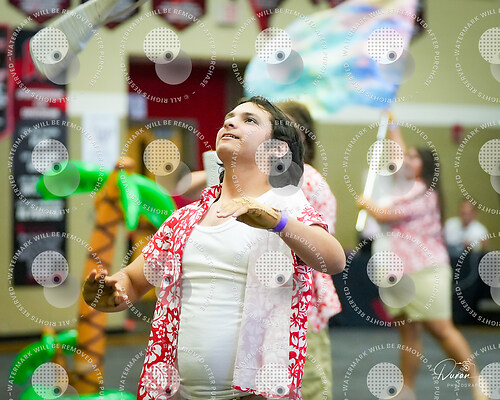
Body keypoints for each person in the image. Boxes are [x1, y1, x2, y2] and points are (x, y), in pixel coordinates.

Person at [82, 96, 346, 400]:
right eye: (229, 117)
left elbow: (333, 260)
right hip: (179, 393)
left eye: (249, 120)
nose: (230, 122)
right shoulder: (185, 219)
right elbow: (133, 280)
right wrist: (111, 292)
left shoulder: (285, 203)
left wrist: (279, 223)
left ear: (277, 149)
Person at [357, 119, 487, 400]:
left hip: (425, 271)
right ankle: (407, 390)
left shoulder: (424, 193)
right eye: (407, 156)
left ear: (425, 166)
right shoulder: (403, 187)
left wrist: (368, 205)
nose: (406, 160)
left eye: (414, 157)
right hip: (398, 273)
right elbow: (397, 153)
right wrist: (392, 124)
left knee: (441, 329)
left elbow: (384, 215)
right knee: (409, 335)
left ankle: (478, 382)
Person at [277, 101, 341, 400]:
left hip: (303, 299)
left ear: (300, 136)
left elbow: (321, 249)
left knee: (310, 382)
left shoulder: (306, 178)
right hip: (278, 296)